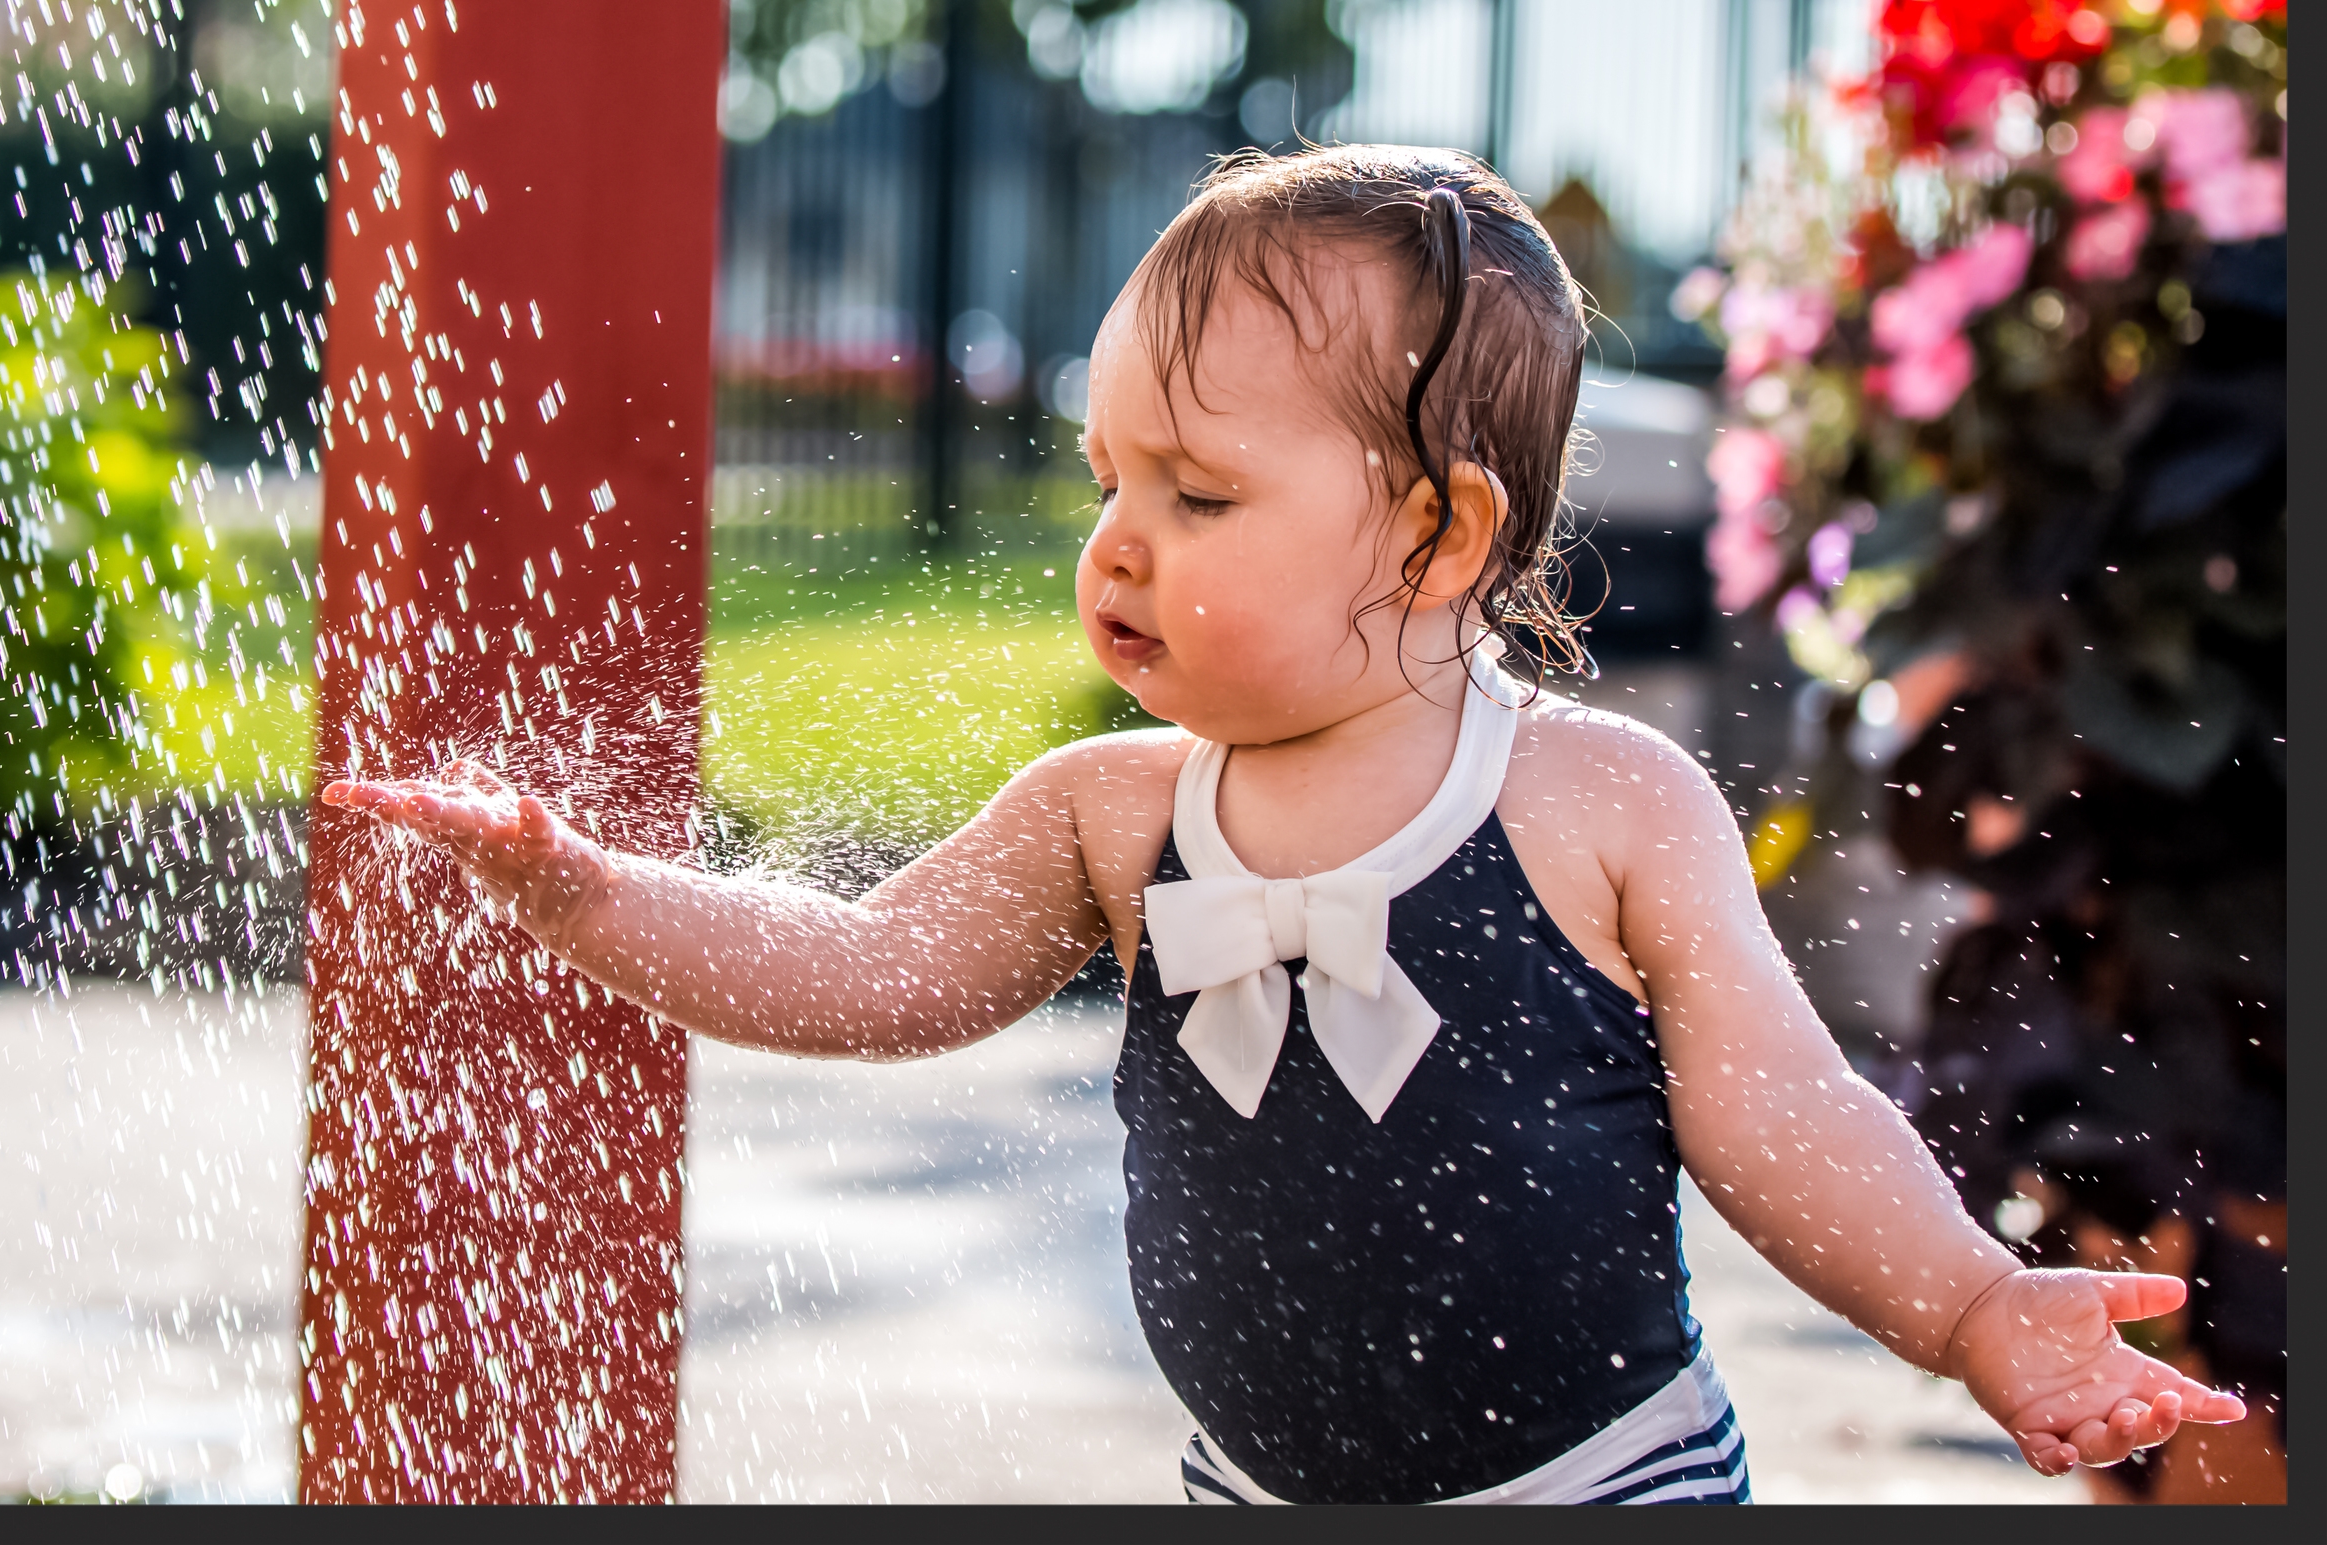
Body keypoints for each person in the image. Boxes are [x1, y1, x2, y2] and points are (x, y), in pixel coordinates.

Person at [325, 145, 2244, 1505]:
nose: (1117, 542)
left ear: (1436, 531)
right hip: (1243, 1484)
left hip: (1599, 1485)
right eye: (1107, 478)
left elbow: (1781, 1113)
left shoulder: (1594, 803)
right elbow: (860, 973)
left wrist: (1975, 1305)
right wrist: (579, 888)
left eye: (1201, 492)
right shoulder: (1110, 813)